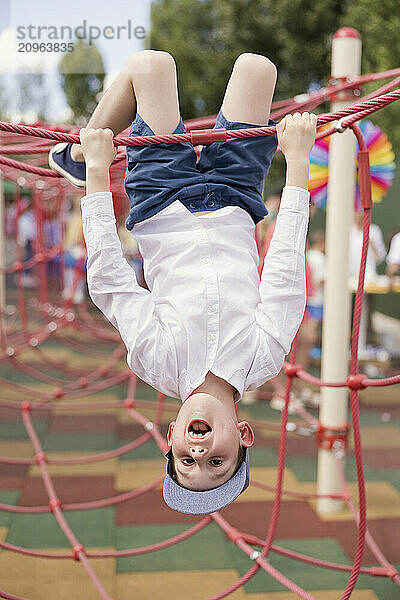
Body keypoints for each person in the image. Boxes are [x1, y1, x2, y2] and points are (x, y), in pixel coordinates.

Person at [49, 50, 316, 515]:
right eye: (217, 461)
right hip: (235, 195)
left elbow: (111, 285)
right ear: (244, 434)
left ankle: (72, 157)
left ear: (169, 436)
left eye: (185, 461)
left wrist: (95, 173)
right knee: (259, 69)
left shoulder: (157, 362)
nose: (198, 453)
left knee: (151, 66)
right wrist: (297, 166)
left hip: (161, 199)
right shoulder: (264, 358)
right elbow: (285, 273)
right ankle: (85, 151)